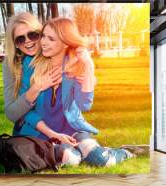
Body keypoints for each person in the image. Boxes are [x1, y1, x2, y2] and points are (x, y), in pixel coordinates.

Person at [16, 17, 136, 167]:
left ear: (66, 43)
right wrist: (54, 135)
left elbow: (84, 105)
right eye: (43, 36)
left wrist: (89, 68)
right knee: (71, 160)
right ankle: (72, 152)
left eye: (51, 39)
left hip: (71, 129)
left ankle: (124, 152)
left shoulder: (76, 65)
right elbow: (26, 110)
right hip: (42, 133)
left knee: (103, 161)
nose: (43, 42)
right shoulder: (31, 64)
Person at [2, 12, 62, 127]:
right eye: (20, 39)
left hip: (62, 126)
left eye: (32, 35)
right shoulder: (12, 64)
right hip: (30, 132)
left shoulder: (54, 54)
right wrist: (37, 87)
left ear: (41, 34)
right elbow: (11, 113)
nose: (27, 41)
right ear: (15, 44)